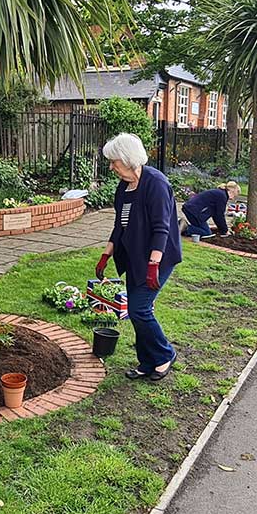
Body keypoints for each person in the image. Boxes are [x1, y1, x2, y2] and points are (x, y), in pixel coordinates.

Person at [95, 133, 182, 381]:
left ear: (128, 159)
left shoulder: (156, 183)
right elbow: (119, 225)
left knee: (140, 308)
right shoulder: (124, 186)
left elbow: (161, 228)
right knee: (136, 311)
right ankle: (147, 361)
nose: (111, 166)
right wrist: (106, 255)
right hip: (134, 257)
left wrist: (154, 264)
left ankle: (165, 354)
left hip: (158, 258)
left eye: (114, 161)